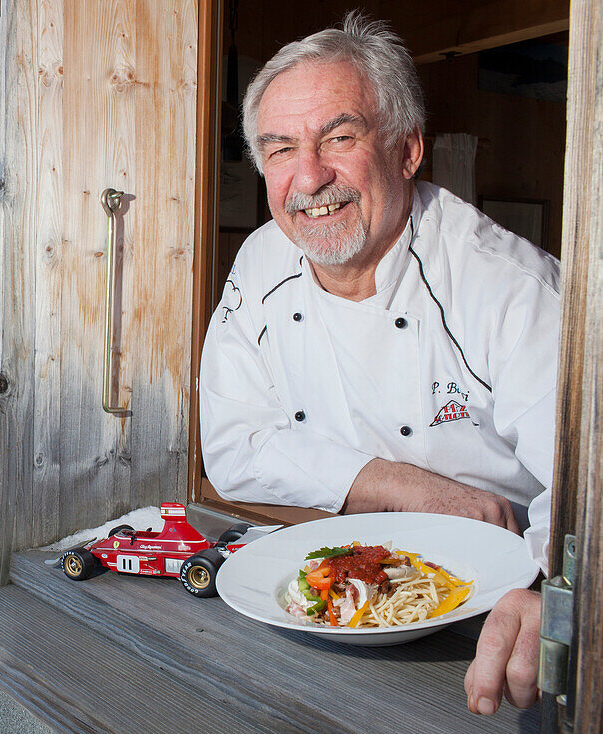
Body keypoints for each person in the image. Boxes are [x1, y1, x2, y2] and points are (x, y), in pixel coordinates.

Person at [199, 12, 554, 716]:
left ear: (408, 149)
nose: (309, 177)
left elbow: (590, 487)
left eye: (339, 137)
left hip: (493, 613)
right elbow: (232, 447)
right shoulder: (264, 259)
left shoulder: (504, 286)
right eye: (279, 149)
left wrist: (554, 593)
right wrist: (399, 485)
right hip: (329, 609)